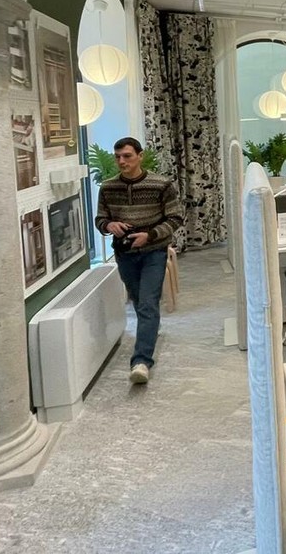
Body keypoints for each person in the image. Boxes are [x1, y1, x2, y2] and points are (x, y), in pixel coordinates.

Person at [95, 137, 184, 385]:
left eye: (127, 156)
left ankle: (141, 361)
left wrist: (150, 235)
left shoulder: (161, 185)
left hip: (154, 251)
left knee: (147, 303)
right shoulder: (108, 187)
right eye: (117, 157)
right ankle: (150, 330)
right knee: (138, 300)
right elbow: (100, 219)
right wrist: (109, 225)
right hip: (125, 253)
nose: (121, 161)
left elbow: (175, 218)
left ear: (140, 156)